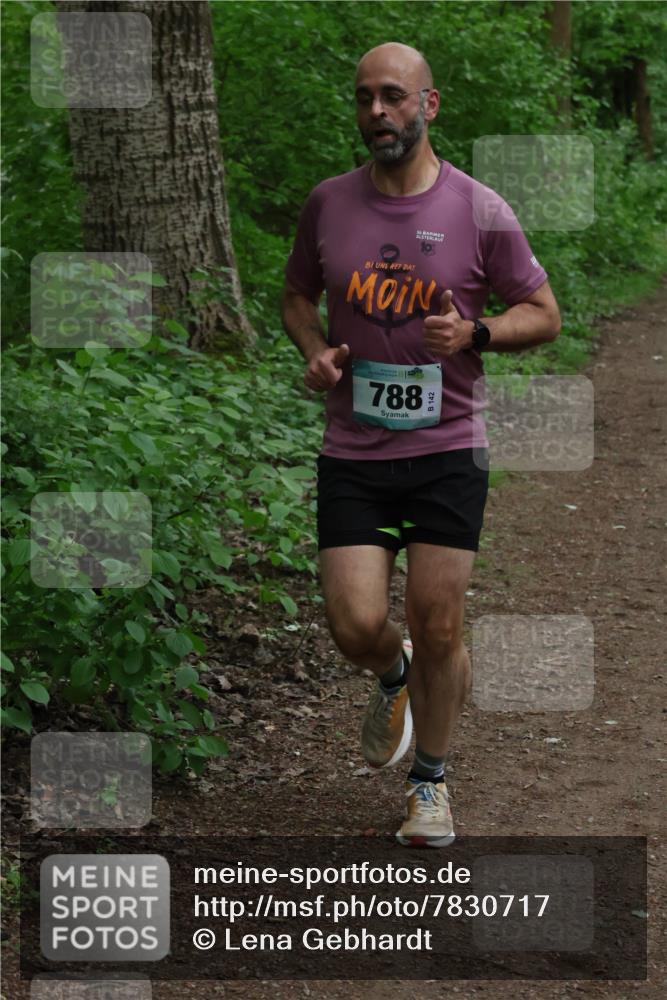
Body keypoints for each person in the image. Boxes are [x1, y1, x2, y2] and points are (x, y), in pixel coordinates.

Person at [281, 42, 561, 847]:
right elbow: (297, 295)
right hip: (355, 450)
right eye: (365, 97)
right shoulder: (328, 204)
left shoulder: (479, 210)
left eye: (394, 97)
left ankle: (430, 783)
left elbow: (542, 314)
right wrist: (314, 350)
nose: (377, 111)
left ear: (428, 106)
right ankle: (390, 675)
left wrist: (475, 331)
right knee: (354, 625)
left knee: (439, 622)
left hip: (446, 446)